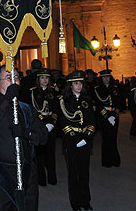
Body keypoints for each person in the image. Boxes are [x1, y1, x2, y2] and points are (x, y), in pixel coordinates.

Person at [0, 65, 48, 211]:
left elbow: (43, 136)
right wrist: (7, 99)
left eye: (16, 78)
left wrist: (25, 133)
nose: (14, 81)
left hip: (27, 171)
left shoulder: (26, 108)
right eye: (9, 78)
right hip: (2, 174)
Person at [58, 70, 96, 211]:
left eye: (80, 83)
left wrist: (87, 137)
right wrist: (76, 138)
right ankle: (75, 203)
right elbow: (63, 123)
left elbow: (92, 121)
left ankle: (85, 201)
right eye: (75, 83)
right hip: (71, 141)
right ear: (70, 85)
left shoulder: (87, 99)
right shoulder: (64, 100)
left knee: (84, 173)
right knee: (74, 173)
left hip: (85, 141)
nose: (78, 86)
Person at [26, 67, 58, 186]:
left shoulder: (53, 92)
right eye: (42, 78)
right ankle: (41, 179)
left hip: (51, 125)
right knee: (39, 154)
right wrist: (42, 124)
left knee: (51, 153)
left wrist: (52, 122)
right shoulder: (32, 92)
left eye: (47, 78)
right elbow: (32, 110)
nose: (45, 80)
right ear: (38, 79)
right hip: (39, 127)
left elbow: (56, 109)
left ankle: (52, 177)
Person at [93, 68, 122, 168]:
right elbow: (98, 104)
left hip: (114, 115)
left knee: (113, 138)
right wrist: (107, 116)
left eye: (108, 77)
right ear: (101, 78)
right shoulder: (97, 89)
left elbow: (119, 102)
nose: (106, 79)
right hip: (103, 116)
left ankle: (115, 160)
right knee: (106, 138)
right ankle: (106, 161)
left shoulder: (115, 88)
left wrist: (115, 115)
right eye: (104, 77)